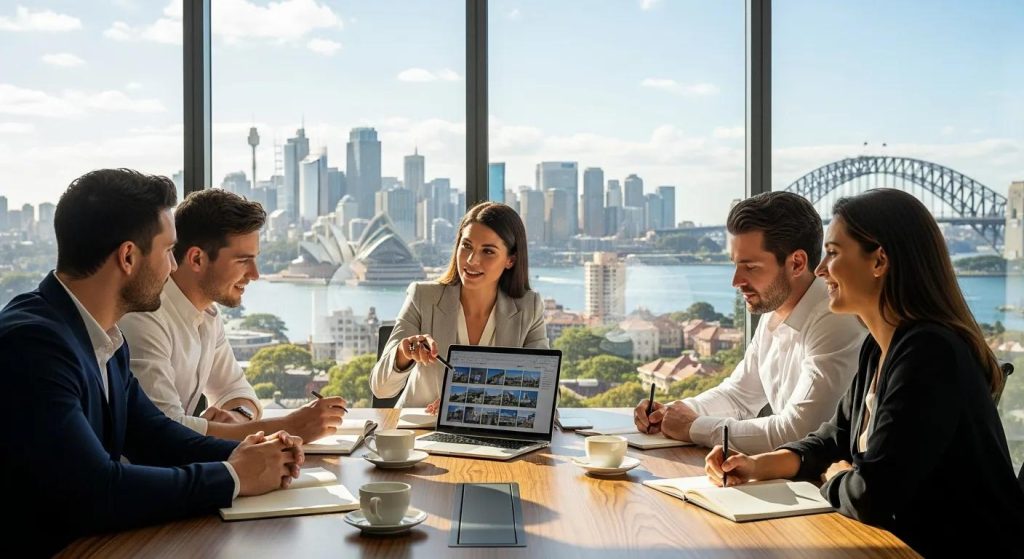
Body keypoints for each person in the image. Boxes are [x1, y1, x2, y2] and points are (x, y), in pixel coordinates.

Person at [705, 189, 1024, 556]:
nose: (821, 269)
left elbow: (872, 494)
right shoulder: (879, 347)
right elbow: (832, 439)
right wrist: (759, 465)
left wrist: (838, 475)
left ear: (879, 261)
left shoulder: (930, 354)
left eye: (834, 253)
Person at [0, 169, 304, 553]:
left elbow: (154, 435)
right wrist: (233, 476)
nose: (174, 267)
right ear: (128, 256)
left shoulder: (105, 337)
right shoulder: (33, 345)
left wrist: (258, 452)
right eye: (166, 251)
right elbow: (96, 491)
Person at [634, 192, 866, 453]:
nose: (736, 281)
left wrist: (692, 427)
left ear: (797, 263)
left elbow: (800, 432)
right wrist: (677, 412)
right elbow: (739, 394)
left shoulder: (834, 319)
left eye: (751, 267)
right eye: (735, 265)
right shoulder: (775, 309)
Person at [119, 189, 346, 442]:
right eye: (243, 261)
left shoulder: (207, 314)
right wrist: (290, 426)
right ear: (196, 259)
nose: (255, 274)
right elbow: (165, 432)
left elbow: (235, 390)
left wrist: (237, 417)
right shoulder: (144, 318)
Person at [370, 202, 548, 408]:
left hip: (490, 434)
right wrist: (403, 354)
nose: (472, 260)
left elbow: (548, 392)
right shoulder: (422, 297)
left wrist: (465, 402)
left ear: (510, 260)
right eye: (467, 246)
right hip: (422, 431)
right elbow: (380, 389)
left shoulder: (529, 307)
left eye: (488, 251)